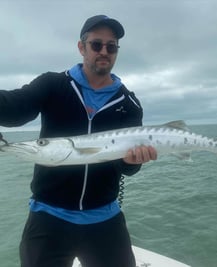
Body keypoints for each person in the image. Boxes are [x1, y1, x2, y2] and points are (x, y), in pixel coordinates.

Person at [0, 15, 157, 267]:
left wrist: (134, 161)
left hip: (104, 218)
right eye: (96, 45)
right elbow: (15, 108)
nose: (104, 51)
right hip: (48, 216)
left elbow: (127, 168)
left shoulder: (129, 104)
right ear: (81, 47)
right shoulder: (52, 85)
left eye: (111, 46)